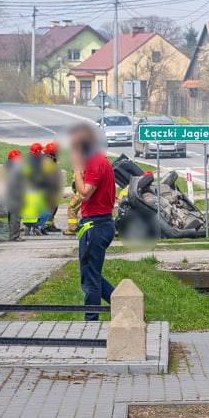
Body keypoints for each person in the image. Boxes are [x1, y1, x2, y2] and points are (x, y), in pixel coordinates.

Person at [69, 123, 116, 321]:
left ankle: (91, 321)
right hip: (95, 224)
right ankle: (124, 303)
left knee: (90, 278)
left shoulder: (95, 163)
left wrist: (78, 171)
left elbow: (86, 193)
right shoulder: (97, 161)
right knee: (91, 274)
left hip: (96, 226)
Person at [42, 142, 63, 233]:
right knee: (50, 208)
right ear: (51, 153)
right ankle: (47, 225)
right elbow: (50, 176)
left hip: (52, 188)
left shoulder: (49, 161)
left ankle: (49, 224)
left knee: (53, 207)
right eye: (55, 153)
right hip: (50, 189)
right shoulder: (47, 162)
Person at [5, 149, 24, 241]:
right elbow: (14, 183)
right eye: (19, 157)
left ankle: (14, 235)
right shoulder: (15, 168)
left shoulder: (10, 167)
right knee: (15, 216)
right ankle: (14, 236)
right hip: (15, 196)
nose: (21, 159)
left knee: (13, 216)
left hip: (12, 195)